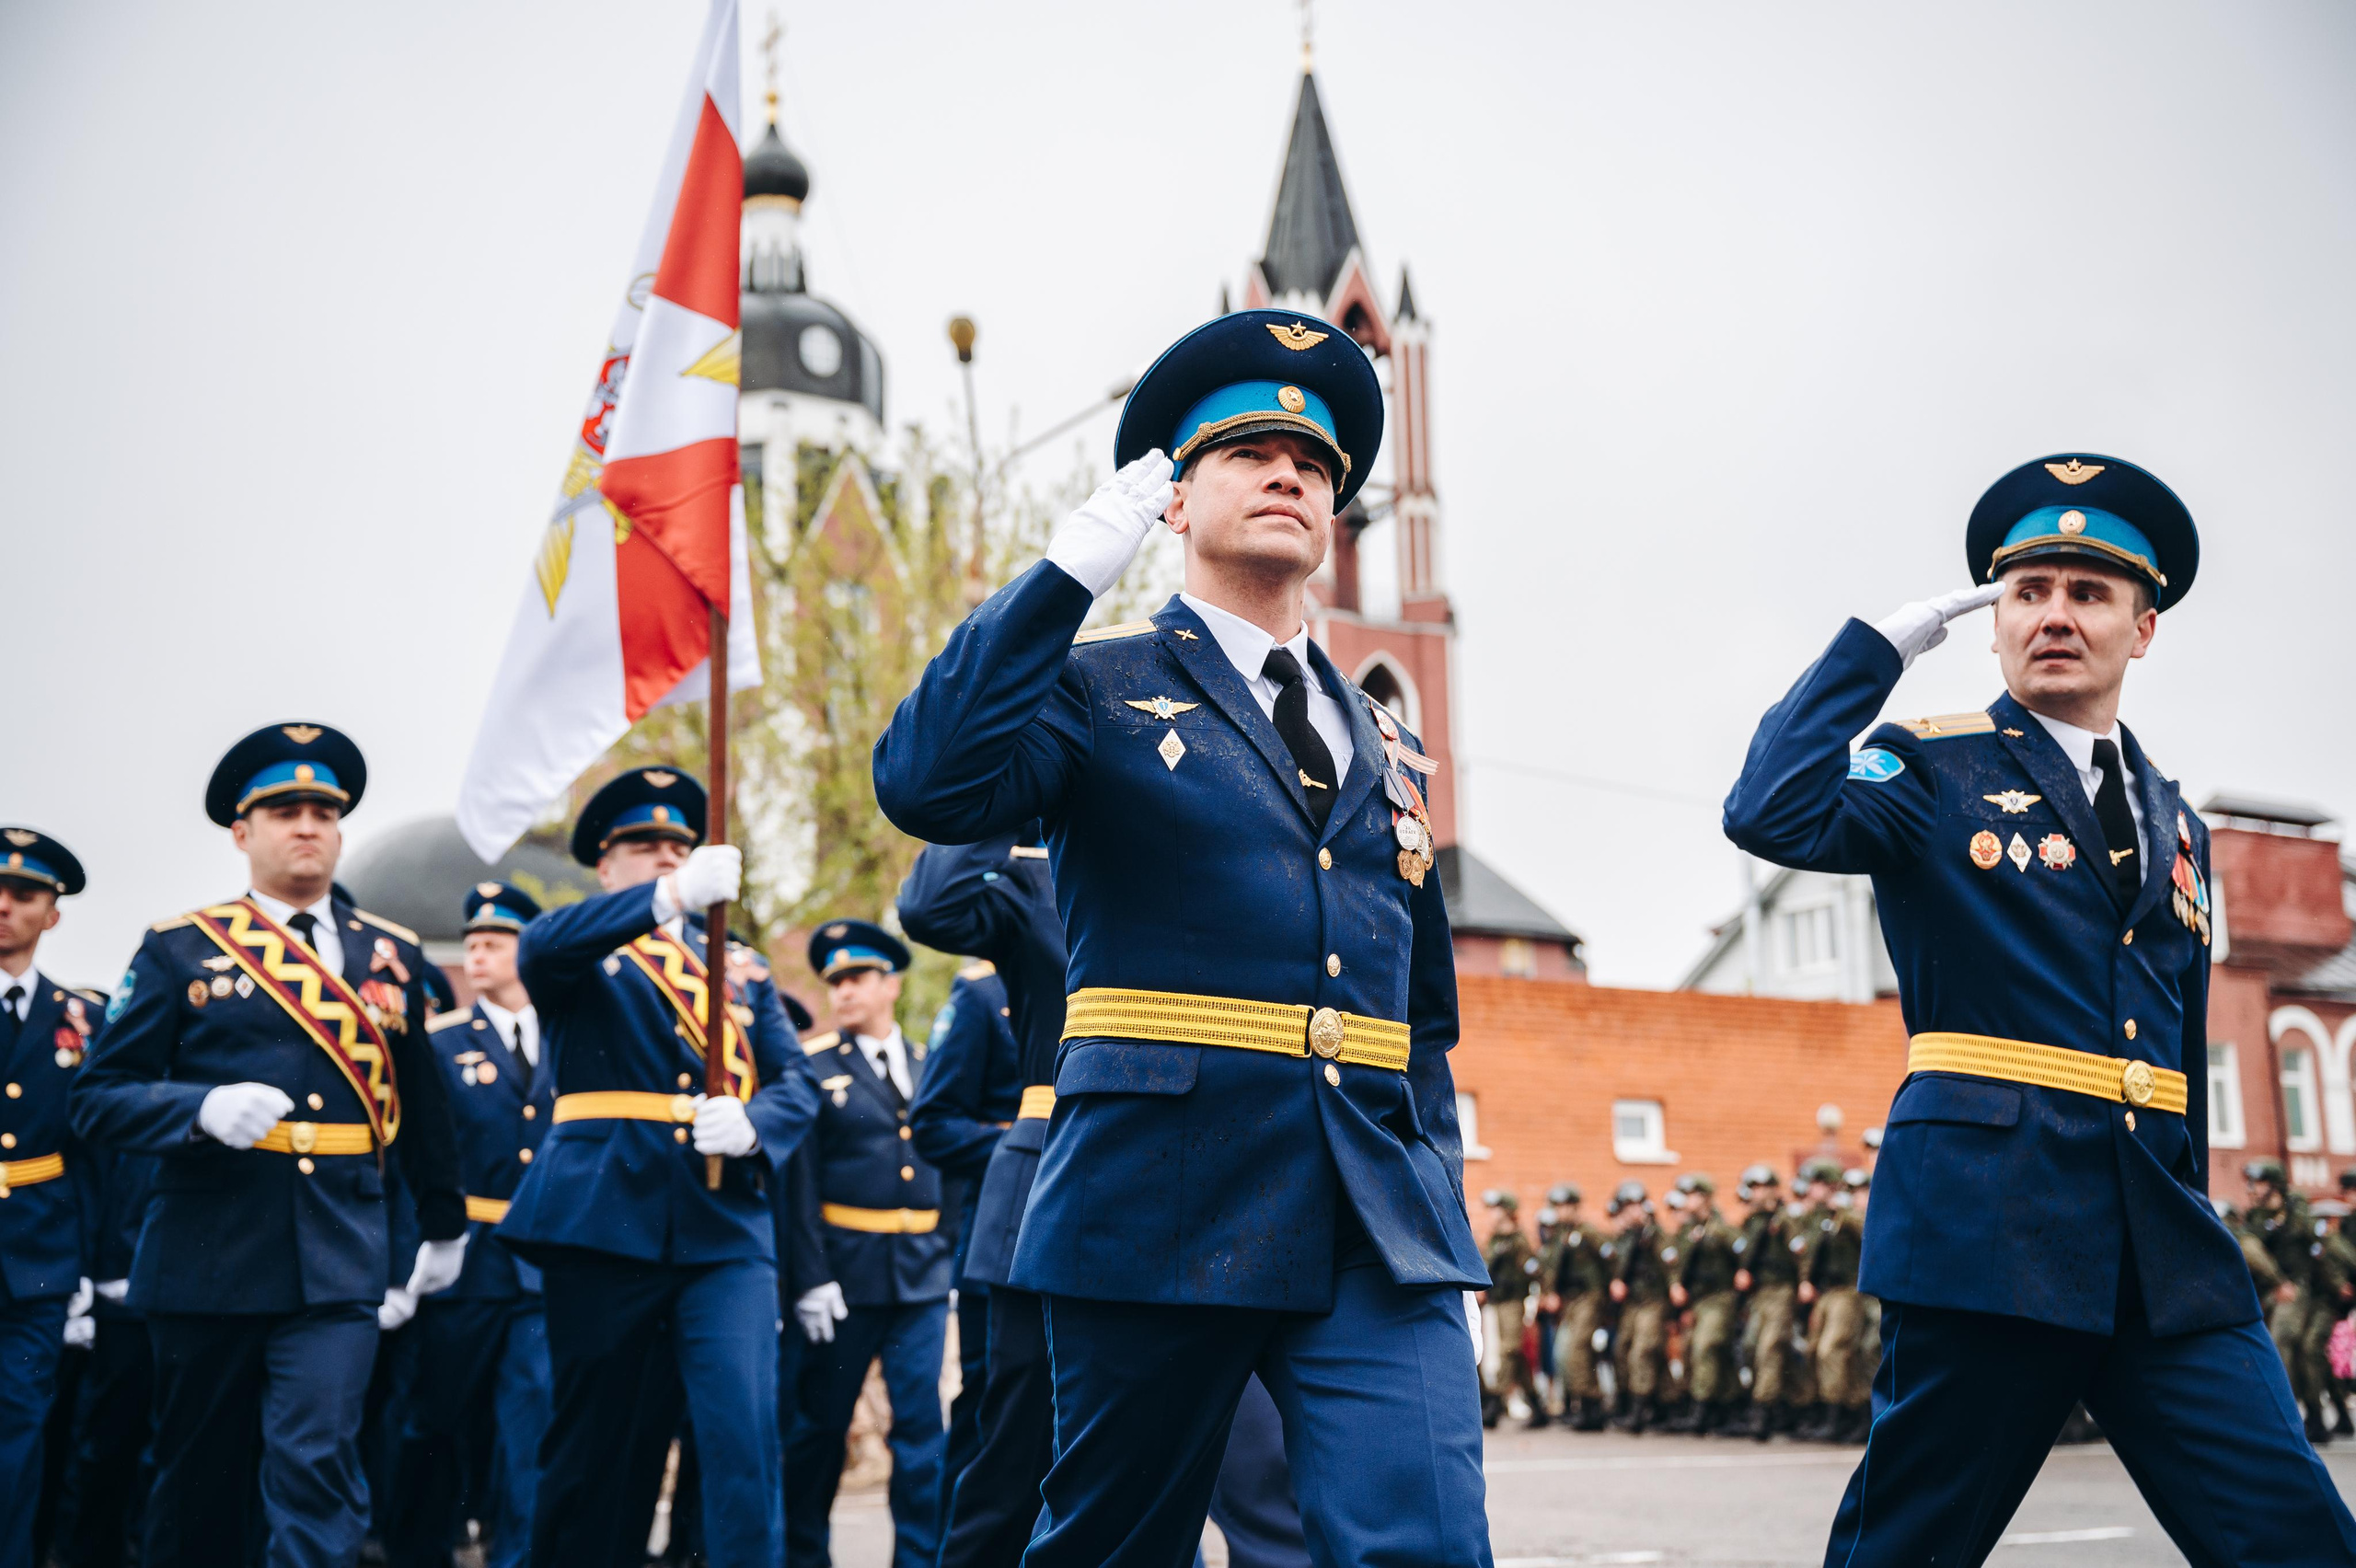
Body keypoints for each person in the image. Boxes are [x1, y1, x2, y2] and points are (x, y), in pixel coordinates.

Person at [872, 307, 1490, 1565]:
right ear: (1171, 500)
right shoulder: (1095, 684)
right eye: (1248, 455)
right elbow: (927, 782)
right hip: (1158, 1195)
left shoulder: (1389, 741)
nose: (1287, 477)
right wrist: (1060, 581)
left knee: (1427, 1541)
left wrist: (1439, 1203)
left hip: (1375, 1218)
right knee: (1114, 1546)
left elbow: (1421, 1012)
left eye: (1312, 467)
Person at [1725, 453, 2356, 1559]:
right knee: (1910, 1544)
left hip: (2161, 1251)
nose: (2053, 615)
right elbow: (1768, 810)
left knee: (2292, 1532)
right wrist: (1876, 650)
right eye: (2027, 592)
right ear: (1995, 623)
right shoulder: (1930, 770)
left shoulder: (2177, 823)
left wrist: (2192, 1201)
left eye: (2087, 593)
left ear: (2141, 629)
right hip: (1989, 1233)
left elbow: (2175, 1050)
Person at [70, 724, 468, 1568]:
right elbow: (98, 1099)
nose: (308, 828)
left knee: (318, 1463)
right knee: (200, 1486)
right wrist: (200, 1108)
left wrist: (444, 1224)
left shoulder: (391, 953)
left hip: (339, 1255)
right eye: (286, 813)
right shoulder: (182, 949)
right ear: (241, 833)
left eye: (324, 813)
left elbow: (422, 1107)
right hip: (208, 1256)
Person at [495, 766, 815, 1568]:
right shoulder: (580, 949)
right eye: (645, 847)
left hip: (725, 1227)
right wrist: (668, 901)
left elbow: (797, 1083)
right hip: (605, 1221)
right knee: (598, 1449)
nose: (668, 856)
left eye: (679, 846)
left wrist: (754, 1124)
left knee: (743, 1436)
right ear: (606, 867)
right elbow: (541, 947)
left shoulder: (740, 968)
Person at [895, 832, 1067, 1568]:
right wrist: (1007, 799)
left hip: (1162, 1179)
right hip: (1034, 1194)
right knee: (1008, 1436)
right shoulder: (1030, 882)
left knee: (1139, 1443)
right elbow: (930, 905)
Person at [385, 882, 557, 1568]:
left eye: (496, 943)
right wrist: (407, 1261)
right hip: (462, 1260)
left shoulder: (566, 1038)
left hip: (539, 1263)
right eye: (474, 943)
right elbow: (412, 1162)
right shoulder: (440, 1042)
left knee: (532, 1424)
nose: (479, 954)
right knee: (434, 1419)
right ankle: (415, 1552)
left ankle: (517, 1557)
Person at [780, 920, 953, 1568]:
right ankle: (805, 1557)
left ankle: (919, 1559)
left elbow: (945, 1164)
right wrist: (811, 1278)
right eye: (836, 982)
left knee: (921, 1432)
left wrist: (949, 1252)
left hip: (921, 1276)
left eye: (858, 978)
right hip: (845, 1278)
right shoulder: (815, 1066)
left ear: (891, 985)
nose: (845, 992)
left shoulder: (929, 1063)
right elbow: (799, 1185)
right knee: (820, 1429)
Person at [0, 829, 95, 1568]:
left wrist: (93, 1265)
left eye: (24, 894)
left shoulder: (82, 1021)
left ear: (51, 914)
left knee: (19, 1433)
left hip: (37, 1261)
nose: (4, 906)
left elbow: (97, 1154)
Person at [906, 944, 1021, 1530]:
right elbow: (933, 1123)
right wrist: (1030, 1146)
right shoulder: (983, 992)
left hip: (1100, 1234)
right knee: (989, 1422)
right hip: (1003, 1237)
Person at [2244, 1159, 2336, 1444]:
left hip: (2300, 1290)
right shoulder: (2257, 1216)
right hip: (2273, 1291)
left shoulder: (2298, 1210)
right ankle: (2307, 1418)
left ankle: (2286, 1420)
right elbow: (2252, 1247)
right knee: (2290, 1350)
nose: (2254, 1189)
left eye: (2260, 1183)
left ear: (2275, 1185)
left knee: (2285, 1344)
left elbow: (2321, 1244)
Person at [1727, 1165, 1801, 1441]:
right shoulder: (1753, 1222)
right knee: (1750, 1346)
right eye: (1754, 1188)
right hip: (1759, 1294)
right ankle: (1782, 1403)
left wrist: (1804, 1283)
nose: (1757, 1193)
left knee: (1770, 1348)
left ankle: (1763, 1412)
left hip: (1781, 1291)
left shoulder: (1784, 1218)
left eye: (1762, 1187)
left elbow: (1801, 1254)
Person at [1667, 1174, 1740, 1435]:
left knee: (1705, 1346)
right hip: (1696, 1302)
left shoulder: (1720, 1228)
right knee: (1696, 1350)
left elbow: (1742, 1254)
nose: (1686, 1201)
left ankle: (1701, 1411)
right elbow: (1677, 1264)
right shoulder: (1688, 1231)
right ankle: (1724, 1408)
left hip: (1720, 1298)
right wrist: (1676, 1286)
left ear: (1704, 1198)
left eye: (1691, 1195)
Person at [1546, 1183, 1612, 1432]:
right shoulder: (1561, 1235)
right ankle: (1582, 1405)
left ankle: (1593, 1407)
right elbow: (1552, 1268)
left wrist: (1610, 1289)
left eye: (1565, 1206)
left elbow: (1611, 1259)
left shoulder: (1588, 1232)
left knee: (1578, 1348)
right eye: (1557, 1207)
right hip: (1571, 1300)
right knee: (1565, 1352)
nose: (1561, 1212)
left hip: (1589, 1297)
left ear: (1575, 1207)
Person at [1604, 1181, 1669, 1433]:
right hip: (1632, 1302)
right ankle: (1628, 1403)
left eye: (1636, 1206)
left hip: (1652, 1300)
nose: (1632, 1212)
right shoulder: (1625, 1237)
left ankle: (1640, 1410)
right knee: (1621, 1349)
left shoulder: (1653, 1234)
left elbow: (1671, 1265)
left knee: (1643, 1351)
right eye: (1627, 1207)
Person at [1480, 1190, 1538, 1428]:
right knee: (1516, 1353)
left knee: (1509, 1348)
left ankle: (1495, 1402)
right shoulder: (1495, 1240)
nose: (1492, 1214)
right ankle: (1537, 1404)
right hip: (1498, 1301)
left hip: (1514, 1301)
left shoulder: (1518, 1241)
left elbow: (1531, 1271)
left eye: (1497, 1209)